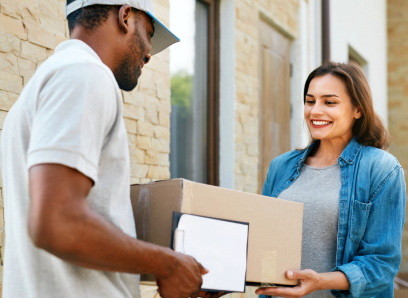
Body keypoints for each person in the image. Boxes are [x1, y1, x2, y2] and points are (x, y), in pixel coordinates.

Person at [0, 1, 220, 298]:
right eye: (149, 32)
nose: (150, 53)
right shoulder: (86, 74)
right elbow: (56, 223)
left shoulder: (43, 85)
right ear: (126, 16)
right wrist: (166, 263)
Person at [256, 62, 406, 297]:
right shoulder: (281, 166)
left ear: (358, 109)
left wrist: (320, 281)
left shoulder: (382, 169)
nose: (315, 111)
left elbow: (381, 264)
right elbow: (262, 242)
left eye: (330, 102)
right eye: (310, 101)